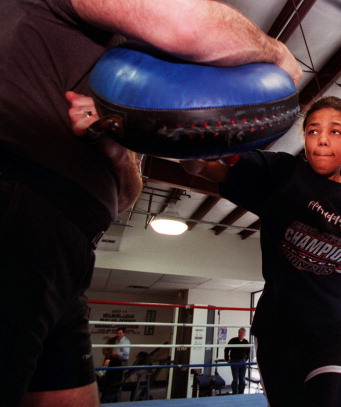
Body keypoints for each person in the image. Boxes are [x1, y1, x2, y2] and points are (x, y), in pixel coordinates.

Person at [0, 1, 302, 406]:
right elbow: (184, 23)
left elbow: (127, 196)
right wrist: (277, 53)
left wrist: (111, 150)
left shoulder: (114, 72)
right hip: (16, 203)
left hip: (68, 245)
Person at [181, 96, 341, 406]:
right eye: (313, 131)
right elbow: (204, 167)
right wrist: (188, 140)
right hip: (279, 329)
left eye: (335, 131)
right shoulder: (283, 173)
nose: (322, 139)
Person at [224, 327, 251, 394]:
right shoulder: (233, 340)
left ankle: (241, 393)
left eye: (241, 333)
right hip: (234, 361)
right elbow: (226, 349)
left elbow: (248, 352)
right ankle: (235, 393)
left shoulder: (246, 342)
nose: (240, 334)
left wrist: (245, 359)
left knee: (242, 379)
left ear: (244, 334)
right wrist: (227, 359)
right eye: (239, 333)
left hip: (243, 362)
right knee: (235, 379)